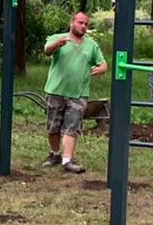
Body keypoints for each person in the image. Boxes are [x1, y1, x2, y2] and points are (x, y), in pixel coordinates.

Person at [42, 11, 107, 173]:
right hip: (56, 90)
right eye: (80, 23)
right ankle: (55, 154)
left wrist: (101, 69)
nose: (83, 26)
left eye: (86, 24)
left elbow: (104, 64)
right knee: (53, 126)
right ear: (72, 23)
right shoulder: (58, 38)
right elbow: (47, 50)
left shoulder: (91, 45)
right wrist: (56, 45)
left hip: (79, 93)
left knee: (72, 126)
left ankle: (67, 161)